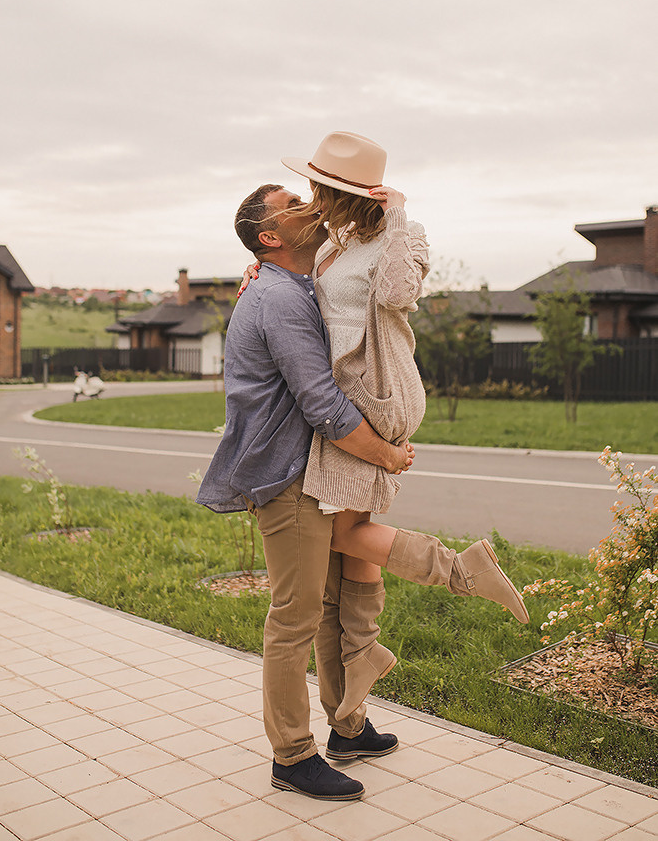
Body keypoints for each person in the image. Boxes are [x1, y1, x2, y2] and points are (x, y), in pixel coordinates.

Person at [244, 130, 529, 724]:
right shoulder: (338, 240)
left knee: (345, 537)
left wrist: (399, 217)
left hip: (371, 399)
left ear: (342, 191)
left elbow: (398, 295)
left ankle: (459, 571)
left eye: (315, 191)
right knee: (355, 537)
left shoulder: (399, 237)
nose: (310, 200)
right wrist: (263, 269)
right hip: (357, 396)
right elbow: (309, 288)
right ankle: (357, 680)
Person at [196, 182, 414, 802]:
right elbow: (322, 404)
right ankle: (292, 756)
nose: (312, 206)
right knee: (293, 618)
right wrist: (388, 455)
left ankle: (346, 727)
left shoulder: (289, 282)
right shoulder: (278, 299)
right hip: (287, 475)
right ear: (271, 236)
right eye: (294, 204)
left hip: (311, 470)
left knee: (326, 604)